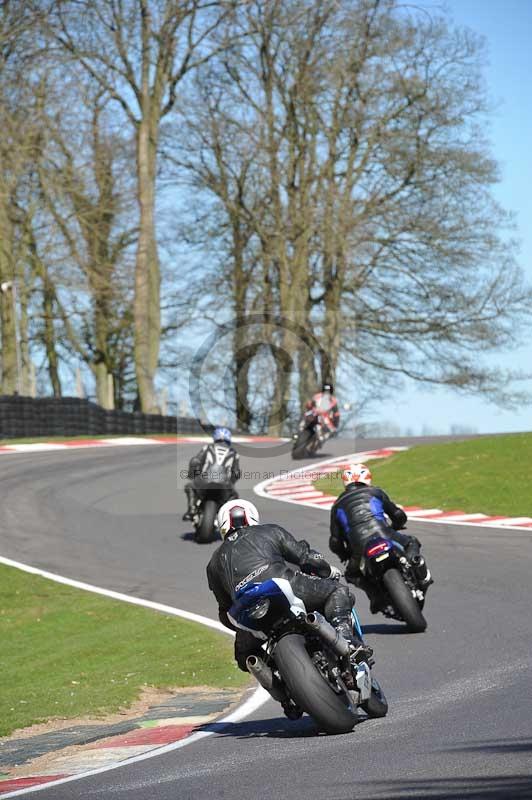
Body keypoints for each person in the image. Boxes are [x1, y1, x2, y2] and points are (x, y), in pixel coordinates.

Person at [206, 499, 373, 694]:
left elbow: (224, 611)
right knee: (337, 591)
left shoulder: (213, 564)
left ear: (222, 526)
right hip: (283, 585)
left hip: (248, 611)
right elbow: (306, 556)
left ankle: (281, 691)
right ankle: (348, 643)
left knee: (245, 657)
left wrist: (243, 629)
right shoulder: (269, 531)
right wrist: (327, 571)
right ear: (252, 517)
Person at [328, 463, 433, 613]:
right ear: (367, 477)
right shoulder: (375, 492)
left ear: (345, 481)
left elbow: (335, 541)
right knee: (411, 542)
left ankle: (375, 596)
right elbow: (397, 514)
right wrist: (397, 525)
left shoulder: (337, 505)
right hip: (384, 534)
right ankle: (416, 564)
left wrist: (343, 554)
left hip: (359, 546)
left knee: (352, 574)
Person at [182, 427, 241, 522]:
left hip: (205, 480)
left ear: (215, 437)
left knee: (189, 486)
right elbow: (236, 472)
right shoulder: (234, 452)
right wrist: (231, 483)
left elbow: (195, 461)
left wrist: (192, 475)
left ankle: (191, 510)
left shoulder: (207, 448)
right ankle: (229, 519)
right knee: (234, 496)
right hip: (224, 483)